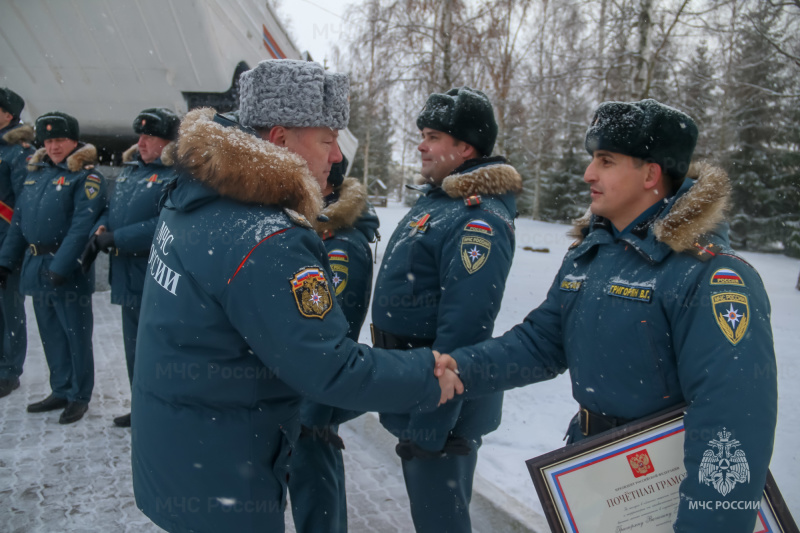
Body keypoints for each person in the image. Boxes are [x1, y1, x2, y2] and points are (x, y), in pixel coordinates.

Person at [130, 59, 462, 533]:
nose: (334, 157)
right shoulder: (267, 237)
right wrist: (428, 375)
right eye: (327, 140)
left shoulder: (197, 194)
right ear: (280, 138)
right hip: (225, 473)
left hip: (179, 452)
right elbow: (329, 368)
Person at [435, 99, 777, 532]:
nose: (588, 174)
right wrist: (463, 367)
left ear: (651, 174)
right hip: (600, 476)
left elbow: (731, 427)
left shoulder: (710, 276)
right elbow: (542, 341)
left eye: (606, 161)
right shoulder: (591, 254)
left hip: (667, 496)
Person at [370, 86, 522, 532]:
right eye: (422, 133)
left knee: (441, 522)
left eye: (433, 135)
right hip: (415, 385)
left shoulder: (477, 218)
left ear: (466, 147)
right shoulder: (442, 201)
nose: (421, 144)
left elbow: (465, 331)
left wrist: (432, 425)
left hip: (440, 403)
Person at [288, 155, 380, 532]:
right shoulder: (313, 230)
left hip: (314, 393)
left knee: (315, 486)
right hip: (304, 385)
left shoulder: (339, 245)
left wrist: (315, 409)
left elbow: (336, 333)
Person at [0, 111, 107, 424]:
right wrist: (5, 261)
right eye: (48, 140)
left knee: (75, 334)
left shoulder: (86, 177)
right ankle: (60, 388)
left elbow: (82, 226)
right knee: (50, 333)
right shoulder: (37, 173)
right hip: (35, 265)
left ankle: (79, 395)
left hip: (66, 268)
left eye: (60, 140)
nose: (54, 146)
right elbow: (19, 222)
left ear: (73, 140)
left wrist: (61, 268)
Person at [80, 107, 181, 428]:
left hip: (154, 275)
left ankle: (164, 412)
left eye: (150, 136)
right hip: (126, 276)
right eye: (141, 135)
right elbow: (113, 208)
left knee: (159, 352)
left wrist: (116, 237)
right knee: (134, 349)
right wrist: (102, 228)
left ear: (168, 142)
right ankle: (142, 408)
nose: (142, 142)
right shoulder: (131, 170)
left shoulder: (176, 176)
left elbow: (164, 224)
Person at [0, 88, 32, 398]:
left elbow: (24, 204)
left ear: (8, 115)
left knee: (9, 309)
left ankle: (9, 371)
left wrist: (10, 250)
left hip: (6, 242)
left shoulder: (18, 151)